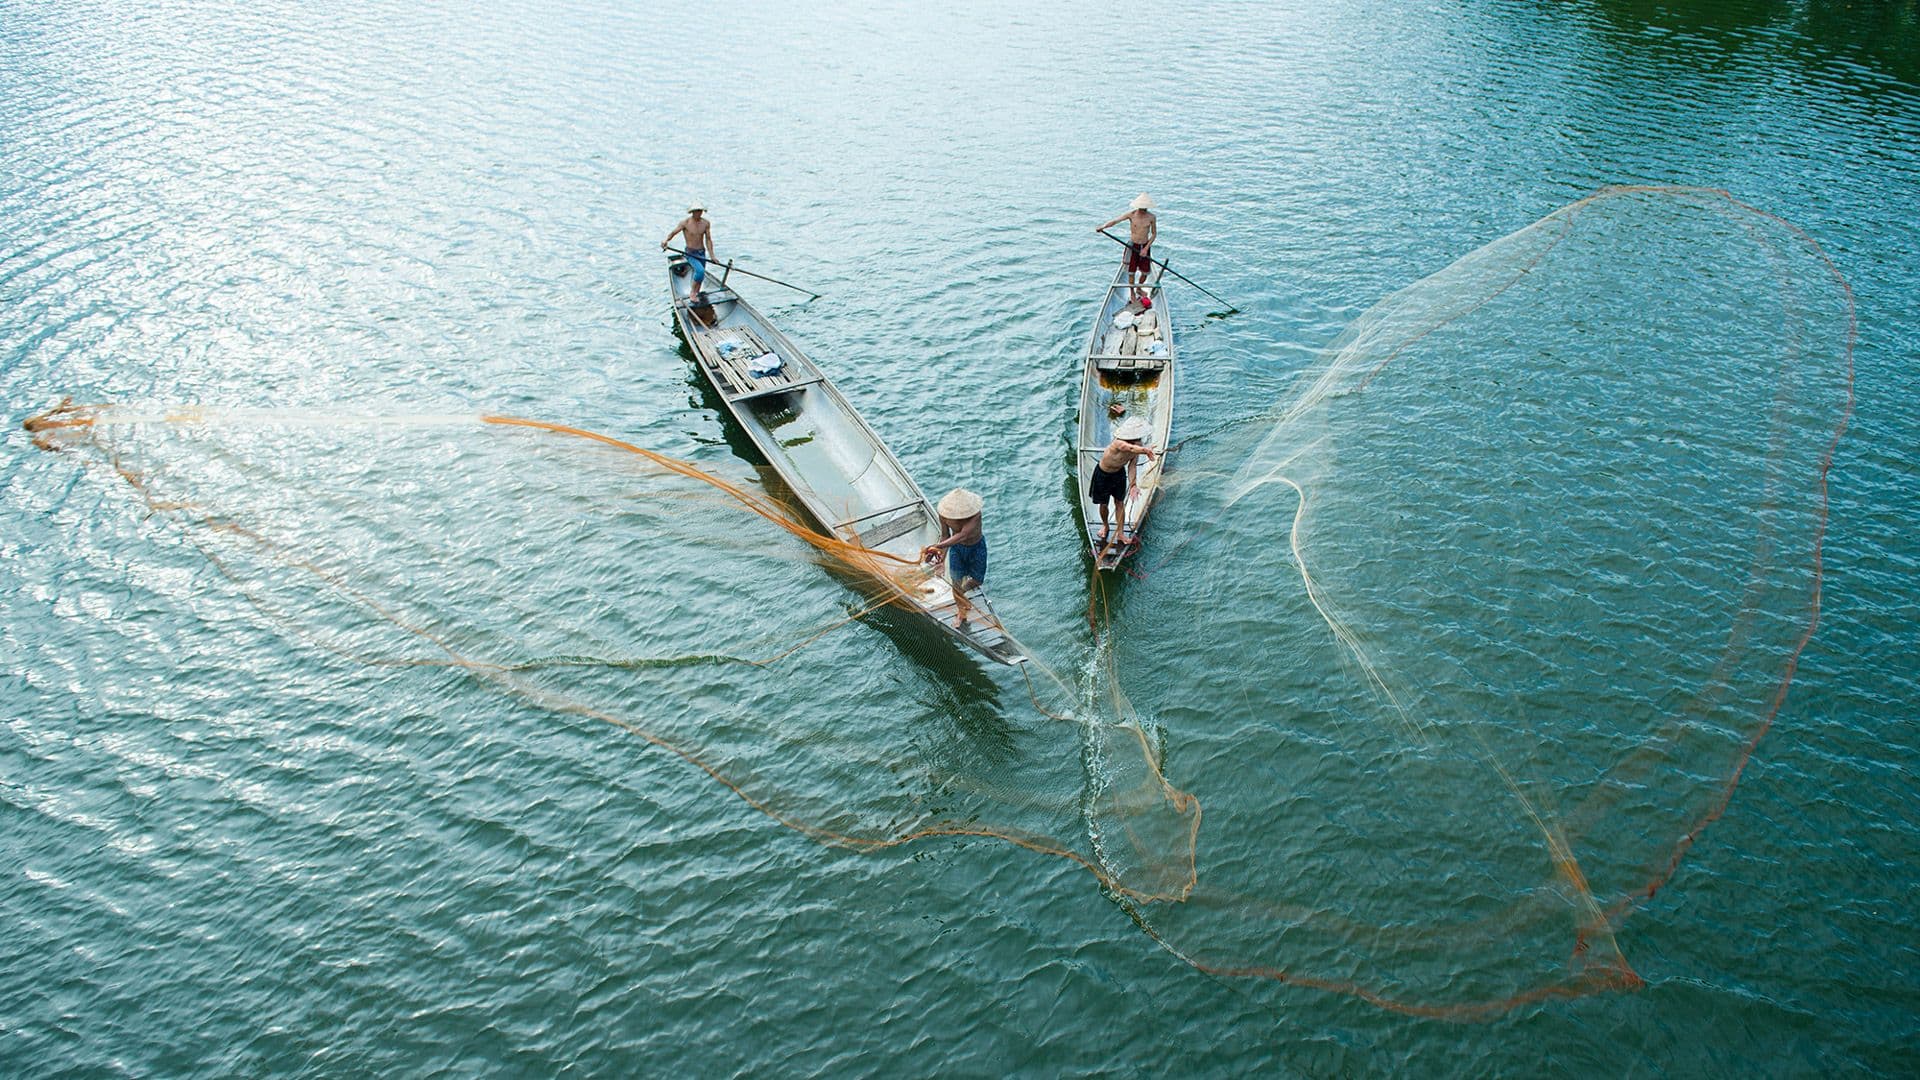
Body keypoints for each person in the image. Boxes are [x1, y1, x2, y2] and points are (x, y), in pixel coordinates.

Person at [1089, 416, 1157, 554]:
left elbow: (1132, 466)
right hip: (1103, 474)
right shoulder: (1118, 443)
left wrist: (1133, 485)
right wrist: (1145, 450)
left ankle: (1120, 533)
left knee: (1120, 503)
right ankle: (1105, 525)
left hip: (1118, 475)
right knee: (1103, 504)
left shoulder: (1137, 447)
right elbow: (1128, 447)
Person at [921, 488, 987, 626]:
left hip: (977, 548)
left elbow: (963, 535)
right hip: (957, 549)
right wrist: (941, 560)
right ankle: (961, 613)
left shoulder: (976, 516)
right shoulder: (944, 516)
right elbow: (946, 535)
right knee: (956, 580)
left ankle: (961, 594)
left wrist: (936, 546)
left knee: (977, 580)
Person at [1098, 193, 1157, 300]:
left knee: (1145, 272)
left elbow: (1154, 234)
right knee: (1131, 271)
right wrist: (1103, 226)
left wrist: (1146, 248)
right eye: (1141, 208)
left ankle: (1138, 288)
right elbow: (1115, 221)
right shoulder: (1131, 215)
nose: (1143, 210)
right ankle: (1132, 292)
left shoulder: (1151, 217)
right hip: (1132, 246)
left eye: (1144, 208)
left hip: (1144, 246)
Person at [661, 202, 716, 302]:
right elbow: (674, 233)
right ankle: (692, 293)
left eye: (700, 211)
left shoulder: (706, 223)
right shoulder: (685, 223)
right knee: (700, 272)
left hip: (701, 253)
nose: (699, 213)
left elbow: (708, 239)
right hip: (690, 253)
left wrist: (712, 256)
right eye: (697, 211)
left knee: (701, 275)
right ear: (692, 212)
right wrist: (666, 241)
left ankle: (697, 292)